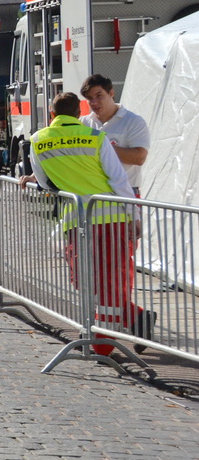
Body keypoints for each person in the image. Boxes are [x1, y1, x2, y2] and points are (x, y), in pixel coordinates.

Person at [19, 92, 146, 356]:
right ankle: (123, 326)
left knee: (87, 282)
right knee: (112, 281)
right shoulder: (96, 137)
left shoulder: (38, 140)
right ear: (80, 113)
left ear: (52, 115)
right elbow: (119, 181)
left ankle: (103, 341)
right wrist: (135, 216)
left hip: (77, 220)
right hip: (113, 217)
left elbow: (45, 183)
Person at [79, 74, 151, 197]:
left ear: (111, 93)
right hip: (92, 192)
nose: (94, 102)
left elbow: (139, 158)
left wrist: (101, 147)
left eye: (99, 96)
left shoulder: (133, 121)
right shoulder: (83, 123)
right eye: (90, 98)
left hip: (125, 192)